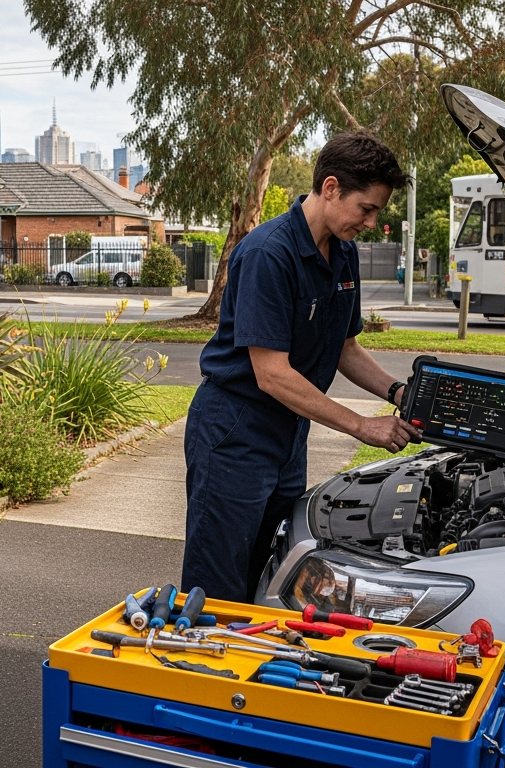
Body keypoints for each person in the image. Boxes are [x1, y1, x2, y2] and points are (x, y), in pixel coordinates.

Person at [183, 132, 420, 602]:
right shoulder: (268, 252)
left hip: (289, 435)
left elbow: (344, 348)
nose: (371, 222)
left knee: (272, 573)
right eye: (366, 208)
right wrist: (360, 426)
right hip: (236, 430)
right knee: (219, 586)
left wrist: (399, 393)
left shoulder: (343, 252)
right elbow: (271, 373)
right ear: (330, 187)